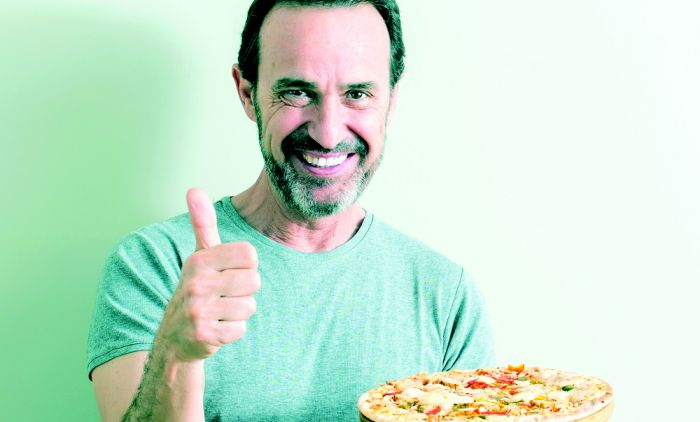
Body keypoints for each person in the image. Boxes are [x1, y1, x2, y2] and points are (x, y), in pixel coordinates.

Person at [87, 0, 494, 420]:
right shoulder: (155, 265)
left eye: (357, 94)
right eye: (297, 92)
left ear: (390, 100)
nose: (328, 134)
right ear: (247, 94)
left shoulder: (446, 296)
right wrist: (176, 356)